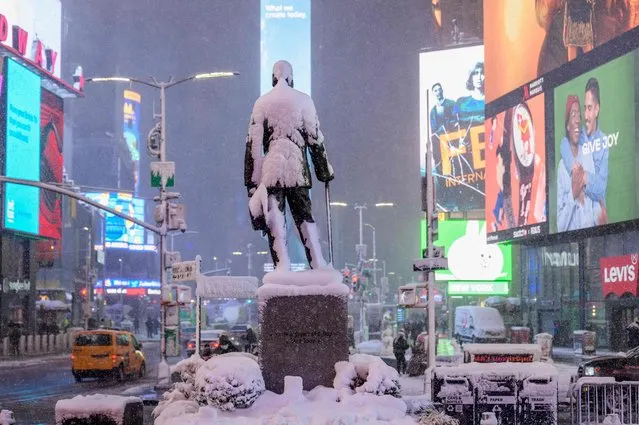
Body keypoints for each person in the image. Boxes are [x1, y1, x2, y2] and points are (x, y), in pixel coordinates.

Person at [244, 60, 334, 270]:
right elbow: (315, 139)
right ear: (291, 78)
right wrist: (323, 171)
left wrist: (252, 182)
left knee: (275, 219)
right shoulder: (304, 102)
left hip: (272, 171)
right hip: (297, 171)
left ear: (273, 78)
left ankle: (281, 267)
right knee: (304, 218)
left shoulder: (262, 104)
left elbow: (253, 148)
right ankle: (317, 263)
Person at [559, 78, 608, 222]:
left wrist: (584, 176)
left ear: (597, 109)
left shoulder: (604, 142)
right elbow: (563, 142)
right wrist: (574, 170)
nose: (585, 116)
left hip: (597, 218)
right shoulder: (579, 135)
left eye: (590, 108)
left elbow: (600, 188)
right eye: (585, 108)